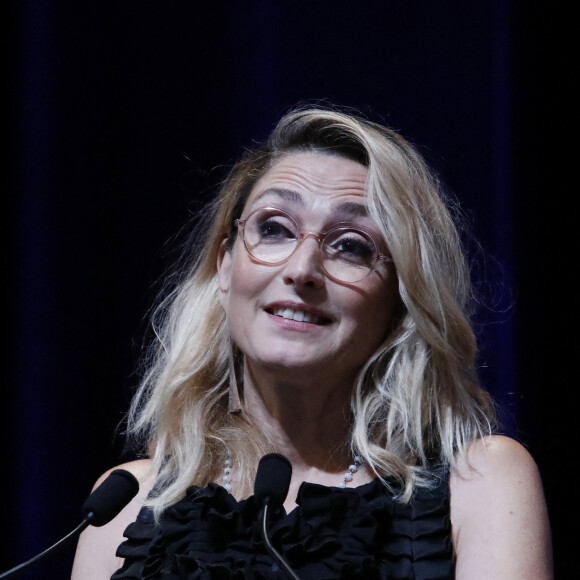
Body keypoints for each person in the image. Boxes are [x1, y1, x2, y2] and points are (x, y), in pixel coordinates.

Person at [71, 105, 553, 579]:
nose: (301, 270)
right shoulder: (121, 506)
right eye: (275, 229)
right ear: (225, 264)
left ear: (403, 296)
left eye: (350, 245)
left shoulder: (480, 484)